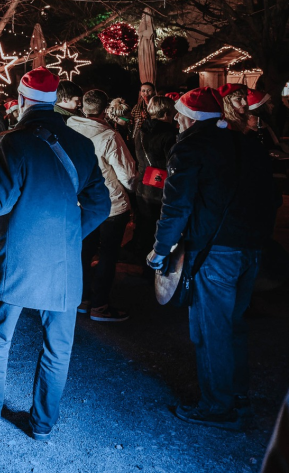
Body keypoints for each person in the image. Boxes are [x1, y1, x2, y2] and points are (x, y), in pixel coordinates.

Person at [0, 68, 110, 442]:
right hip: (65, 262)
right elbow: (100, 205)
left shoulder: (16, 141)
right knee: (58, 347)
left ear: (23, 100)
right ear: (54, 101)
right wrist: (69, 236)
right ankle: (42, 425)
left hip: (20, 259)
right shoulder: (80, 143)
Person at [146, 88, 279, 431]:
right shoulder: (247, 144)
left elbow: (176, 206)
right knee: (233, 325)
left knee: (211, 329)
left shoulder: (190, 147)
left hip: (214, 251)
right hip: (250, 248)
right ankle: (238, 396)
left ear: (190, 117)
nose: (176, 119)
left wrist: (160, 249)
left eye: (179, 114)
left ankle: (218, 407)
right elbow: (272, 198)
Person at [67, 89, 136, 322]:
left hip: (81, 200)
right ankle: (100, 306)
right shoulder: (109, 136)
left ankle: (83, 299)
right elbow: (127, 175)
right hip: (110, 203)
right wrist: (133, 189)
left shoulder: (69, 129)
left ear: (83, 107)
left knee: (84, 251)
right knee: (108, 254)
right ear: (105, 110)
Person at [129, 95, 177, 260]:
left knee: (145, 227)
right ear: (167, 112)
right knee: (159, 229)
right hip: (162, 188)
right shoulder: (170, 134)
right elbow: (173, 163)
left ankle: (141, 259)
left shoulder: (141, 131)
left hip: (144, 185)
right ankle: (155, 264)